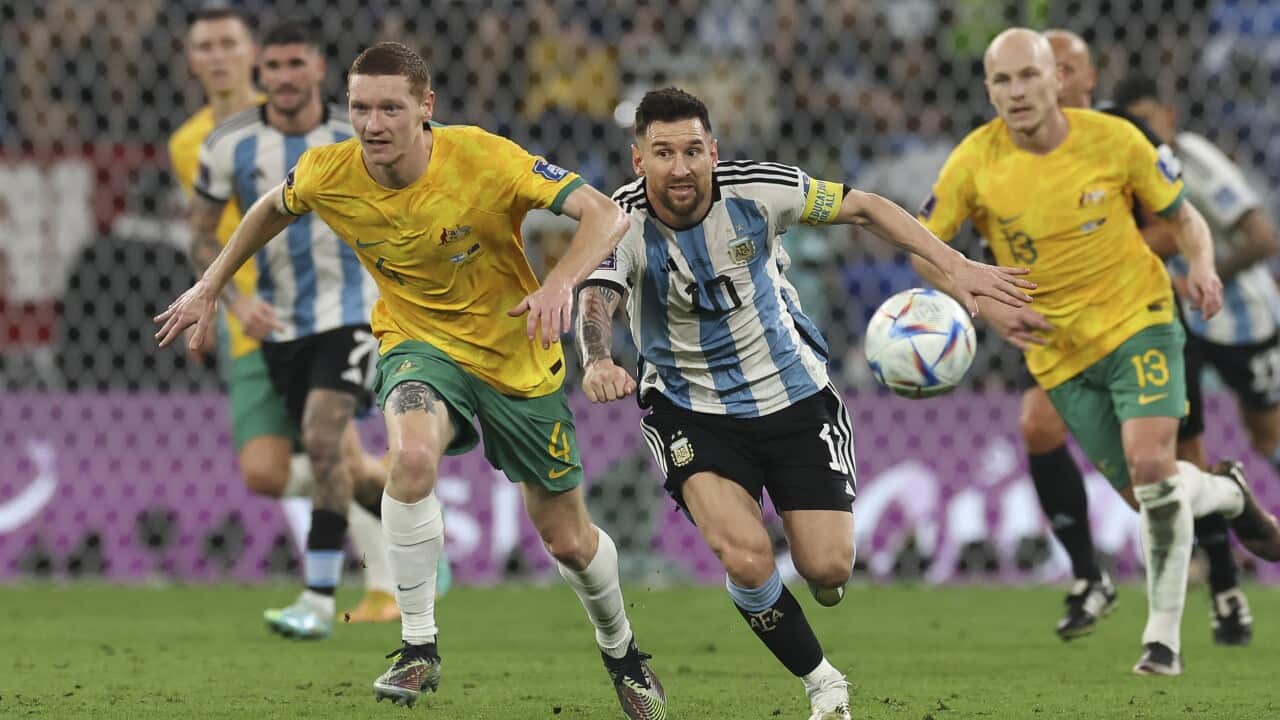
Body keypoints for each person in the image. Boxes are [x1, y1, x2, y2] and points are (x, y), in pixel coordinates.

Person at [157, 41, 666, 718]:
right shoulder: (330, 170)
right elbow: (271, 208)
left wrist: (558, 285)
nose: (372, 125)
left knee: (569, 541)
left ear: (425, 107)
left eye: (390, 109)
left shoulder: (484, 157)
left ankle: (622, 651)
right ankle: (417, 645)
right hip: (416, 343)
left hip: (515, 352)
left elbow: (607, 214)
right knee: (413, 455)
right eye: (360, 108)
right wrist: (211, 284)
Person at [576, 87, 1034, 720]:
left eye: (692, 151)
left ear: (713, 152)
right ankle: (825, 685)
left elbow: (865, 207)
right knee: (745, 556)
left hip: (793, 396)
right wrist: (597, 359)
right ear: (638, 160)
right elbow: (595, 299)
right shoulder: (618, 221)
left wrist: (955, 266)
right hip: (690, 409)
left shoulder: (762, 191)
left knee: (828, 572)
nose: (680, 168)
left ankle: (792, 582)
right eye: (663, 153)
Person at [913, 28, 1280, 676]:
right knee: (1151, 498)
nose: (1017, 92)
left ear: (1058, 80)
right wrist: (986, 304)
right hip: (1058, 355)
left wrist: (1201, 265)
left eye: (1030, 76)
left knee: (1152, 466)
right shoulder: (973, 161)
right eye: (1003, 81)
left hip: (1139, 322)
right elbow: (924, 248)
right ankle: (1227, 496)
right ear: (989, 91)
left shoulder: (1116, 139)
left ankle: (1161, 642)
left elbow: (1184, 216)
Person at [1002, 28, 1252, 645]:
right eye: (1038, 68)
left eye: (1063, 67)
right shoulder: (1006, 150)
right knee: (1036, 425)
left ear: (1087, 79)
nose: (1050, 79)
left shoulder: (1123, 135)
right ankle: (1089, 575)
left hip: (1140, 314)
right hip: (1061, 326)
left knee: (1181, 459)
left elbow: (1173, 222)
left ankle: (1224, 583)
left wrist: (1096, 251)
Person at [168, 9, 408, 625]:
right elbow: (204, 233)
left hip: (351, 311)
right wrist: (225, 299)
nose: (219, 57)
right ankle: (410, 513)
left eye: (228, 43)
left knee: (327, 438)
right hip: (260, 320)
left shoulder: (356, 132)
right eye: (205, 46)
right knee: (274, 470)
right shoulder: (210, 144)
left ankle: (344, 594)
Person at [1117, 71, 1280, 641]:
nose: (1143, 132)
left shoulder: (1195, 159)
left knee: (1268, 435)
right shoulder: (1124, 168)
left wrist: (1204, 276)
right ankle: (1224, 586)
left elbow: (1263, 238)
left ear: (1169, 116)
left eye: (1149, 119)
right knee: (1188, 449)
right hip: (1177, 325)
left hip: (1245, 319)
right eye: (1133, 124)